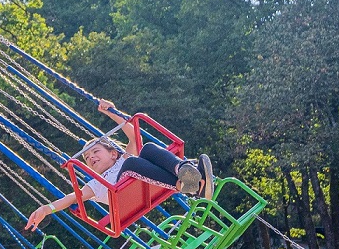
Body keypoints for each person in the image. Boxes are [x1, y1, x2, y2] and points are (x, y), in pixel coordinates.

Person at [24, 98, 213, 230]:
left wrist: (112, 112)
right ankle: (186, 183)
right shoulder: (97, 184)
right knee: (132, 162)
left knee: (146, 148)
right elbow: (72, 197)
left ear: (113, 153)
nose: (91, 158)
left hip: (144, 185)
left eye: (95, 152)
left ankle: (188, 176)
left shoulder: (122, 158)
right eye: (87, 158)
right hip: (124, 199)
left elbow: (133, 136)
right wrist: (46, 209)